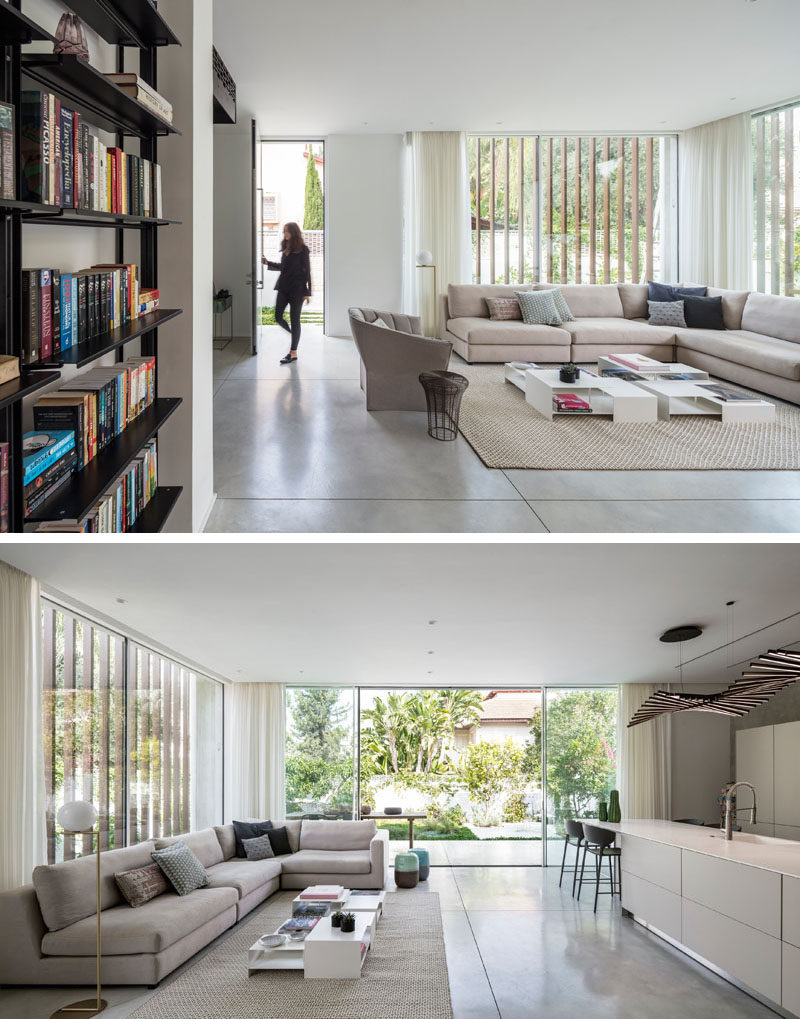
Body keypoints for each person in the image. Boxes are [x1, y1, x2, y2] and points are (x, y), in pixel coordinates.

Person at [263, 222, 311, 364]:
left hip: (297, 289)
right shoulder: (286, 248)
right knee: (278, 316)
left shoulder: (303, 250)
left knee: (295, 319)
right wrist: (267, 263)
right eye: (284, 232)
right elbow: (283, 267)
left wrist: (307, 291)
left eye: (287, 231)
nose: (285, 234)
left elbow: (307, 271)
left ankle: (293, 352)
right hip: (283, 287)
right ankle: (294, 334)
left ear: (294, 232)